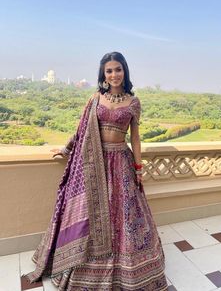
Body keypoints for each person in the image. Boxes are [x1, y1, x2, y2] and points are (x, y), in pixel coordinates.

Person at [24, 52, 167, 290]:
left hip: (121, 161)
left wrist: (139, 168)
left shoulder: (133, 102)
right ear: (103, 74)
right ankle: (83, 266)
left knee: (125, 214)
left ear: (125, 71)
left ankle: (128, 269)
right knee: (89, 215)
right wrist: (66, 148)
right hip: (94, 163)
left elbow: (135, 138)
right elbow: (82, 130)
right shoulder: (95, 99)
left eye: (118, 69)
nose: (114, 75)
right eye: (109, 71)